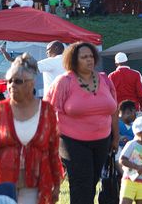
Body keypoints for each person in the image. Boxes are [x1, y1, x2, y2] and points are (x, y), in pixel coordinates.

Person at [0, 55, 63, 204]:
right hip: (3, 184)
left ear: (31, 83)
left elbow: (53, 150)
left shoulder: (46, 111)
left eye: (18, 81)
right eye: (9, 81)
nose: (12, 85)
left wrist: (57, 184)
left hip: (37, 184)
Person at [45, 42, 119, 204]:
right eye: (84, 57)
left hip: (102, 140)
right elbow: (50, 111)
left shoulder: (105, 80)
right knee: (82, 182)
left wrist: (115, 137)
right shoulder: (64, 81)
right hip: (71, 141)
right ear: (73, 60)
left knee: (92, 182)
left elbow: (114, 109)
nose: (89, 60)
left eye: (91, 56)